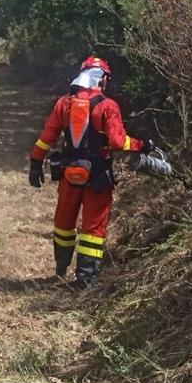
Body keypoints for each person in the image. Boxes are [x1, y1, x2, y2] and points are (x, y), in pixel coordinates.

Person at [28, 55, 154, 289]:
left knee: (63, 221)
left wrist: (36, 163)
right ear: (102, 78)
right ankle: (85, 279)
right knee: (93, 228)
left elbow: (47, 138)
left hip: (68, 173)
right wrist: (142, 145)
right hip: (97, 176)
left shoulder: (63, 104)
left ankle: (60, 268)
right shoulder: (108, 106)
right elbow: (118, 142)